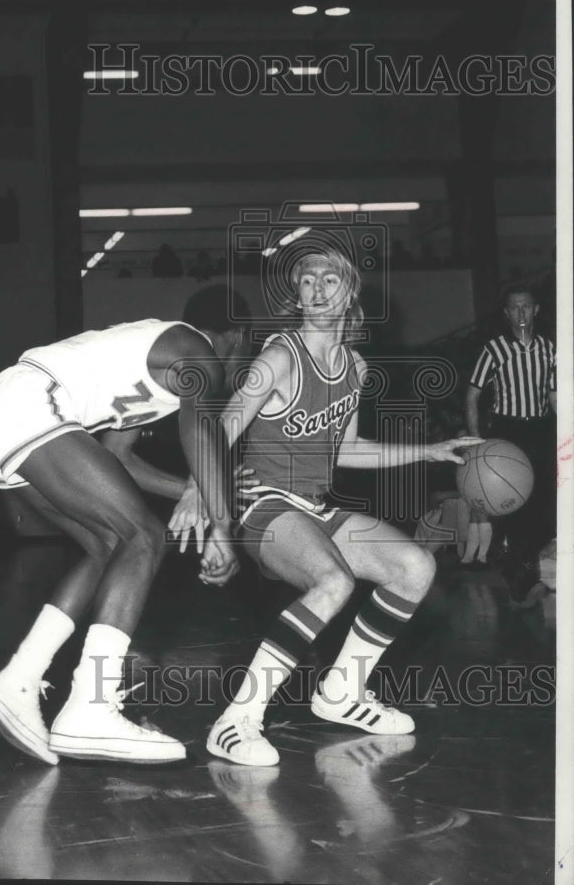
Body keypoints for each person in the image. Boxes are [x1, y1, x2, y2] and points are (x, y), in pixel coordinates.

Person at [173, 249, 480, 766]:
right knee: (333, 581)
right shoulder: (279, 358)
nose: (316, 287)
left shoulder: (354, 367)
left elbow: (346, 449)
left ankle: (342, 692)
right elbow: (221, 427)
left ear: (349, 293)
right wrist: (193, 492)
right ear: (297, 296)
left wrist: (427, 450)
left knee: (415, 566)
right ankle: (235, 721)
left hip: (313, 506)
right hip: (262, 505)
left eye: (328, 278)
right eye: (306, 279)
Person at [0, 286, 246, 765]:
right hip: (29, 405)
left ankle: (19, 679)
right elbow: (199, 430)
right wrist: (222, 521)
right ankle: (91, 707)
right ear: (237, 337)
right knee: (145, 536)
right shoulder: (197, 352)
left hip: (4, 416)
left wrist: (192, 490)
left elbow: (120, 459)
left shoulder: (157, 356)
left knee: (110, 546)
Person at [465, 284, 556, 606]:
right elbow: (473, 395)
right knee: (515, 509)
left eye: (526, 307)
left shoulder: (549, 349)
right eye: (514, 308)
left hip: (541, 430)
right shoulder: (494, 349)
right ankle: (521, 579)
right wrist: (476, 442)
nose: (520, 313)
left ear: (536, 311)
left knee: (542, 506)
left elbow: (553, 396)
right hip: (508, 432)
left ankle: (520, 563)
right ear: (506, 314)